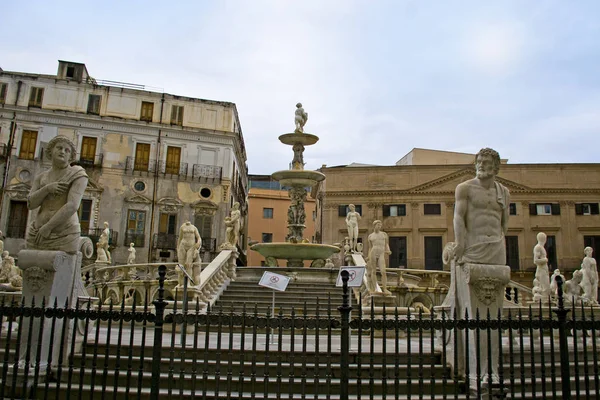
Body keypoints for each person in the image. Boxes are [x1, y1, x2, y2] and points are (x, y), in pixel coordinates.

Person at [26, 136, 89, 253]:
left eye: (67, 150)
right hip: (36, 232)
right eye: (59, 148)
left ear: (71, 156)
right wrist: (47, 189)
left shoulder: (78, 174)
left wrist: (48, 227)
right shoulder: (41, 177)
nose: (62, 152)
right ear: (51, 151)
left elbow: (72, 206)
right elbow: (31, 204)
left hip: (65, 233)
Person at [453, 148, 510, 265]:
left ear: (495, 167)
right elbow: (458, 217)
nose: (481, 165)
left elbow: (504, 223)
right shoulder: (465, 188)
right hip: (472, 246)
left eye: (486, 162)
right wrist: (459, 243)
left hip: (497, 246)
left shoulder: (504, 192)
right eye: (479, 162)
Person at [367, 220, 392, 295]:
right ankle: (375, 288)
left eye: (380, 225)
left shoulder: (384, 234)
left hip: (381, 253)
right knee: (373, 271)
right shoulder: (370, 236)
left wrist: (388, 250)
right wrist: (368, 257)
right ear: (374, 225)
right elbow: (370, 248)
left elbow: (386, 244)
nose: (379, 226)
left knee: (383, 271)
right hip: (373, 252)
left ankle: (384, 288)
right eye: (378, 225)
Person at [532, 232, 550, 301]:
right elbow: (535, 260)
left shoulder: (541, 247)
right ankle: (544, 299)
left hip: (544, 268)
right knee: (545, 287)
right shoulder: (538, 247)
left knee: (546, 286)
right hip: (541, 269)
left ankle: (545, 299)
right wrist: (545, 260)